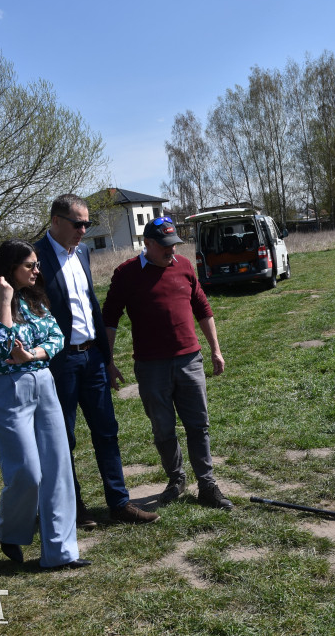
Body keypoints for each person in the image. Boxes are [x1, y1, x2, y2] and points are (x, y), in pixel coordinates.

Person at [35, 194, 158, 527]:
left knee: (107, 431)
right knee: (63, 438)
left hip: (92, 359)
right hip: (59, 363)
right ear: (56, 221)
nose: (84, 230)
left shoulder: (84, 253)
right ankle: (73, 508)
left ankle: (119, 504)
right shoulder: (35, 258)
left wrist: (106, 357)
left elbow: (90, 308)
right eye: (78, 224)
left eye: (87, 224)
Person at [0, 239, 89, 569]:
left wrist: (32, 354)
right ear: (10, 269)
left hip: (43, 383)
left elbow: (57, 337)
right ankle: (9, 531)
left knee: (57, 469)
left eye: (37, 264)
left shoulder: (34, 300)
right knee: (26, 472)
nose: (37, 270)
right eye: (29, 266)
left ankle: (61, 553)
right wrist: (4, 303)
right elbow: (1, 346)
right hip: (7, 390)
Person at [102, 217, 234, 510]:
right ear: (146, 244)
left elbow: (202, 307)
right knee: (163, 429)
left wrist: (216, 349)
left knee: (198, 425)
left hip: (190, 360)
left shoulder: (185, 267)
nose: (170, 252)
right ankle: (176, 479)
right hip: (151, 368)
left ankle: (207, 485)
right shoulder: (127, 273)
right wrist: (108, 361)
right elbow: (109, 317)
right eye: (164, 247)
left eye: (173, 245)